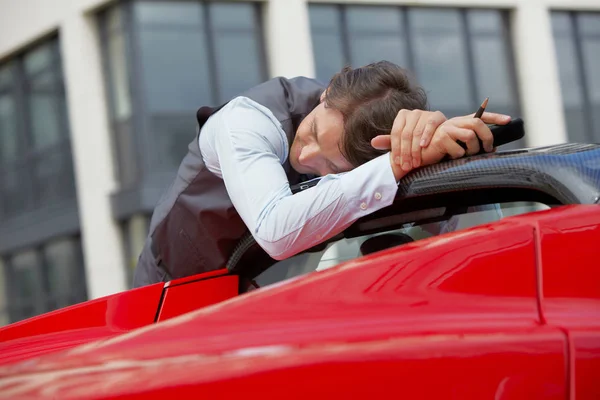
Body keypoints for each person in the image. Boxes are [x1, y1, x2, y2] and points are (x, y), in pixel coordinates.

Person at [133, 61, 510, 287]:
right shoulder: (244, 121)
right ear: (326, 93)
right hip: (168, 293)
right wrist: (397, 163)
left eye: (331, 166)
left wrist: (426, 151)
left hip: (268, 299)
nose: (305, 155)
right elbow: (276, 230)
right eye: (313, 132)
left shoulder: (373, 157)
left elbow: (442, 233)